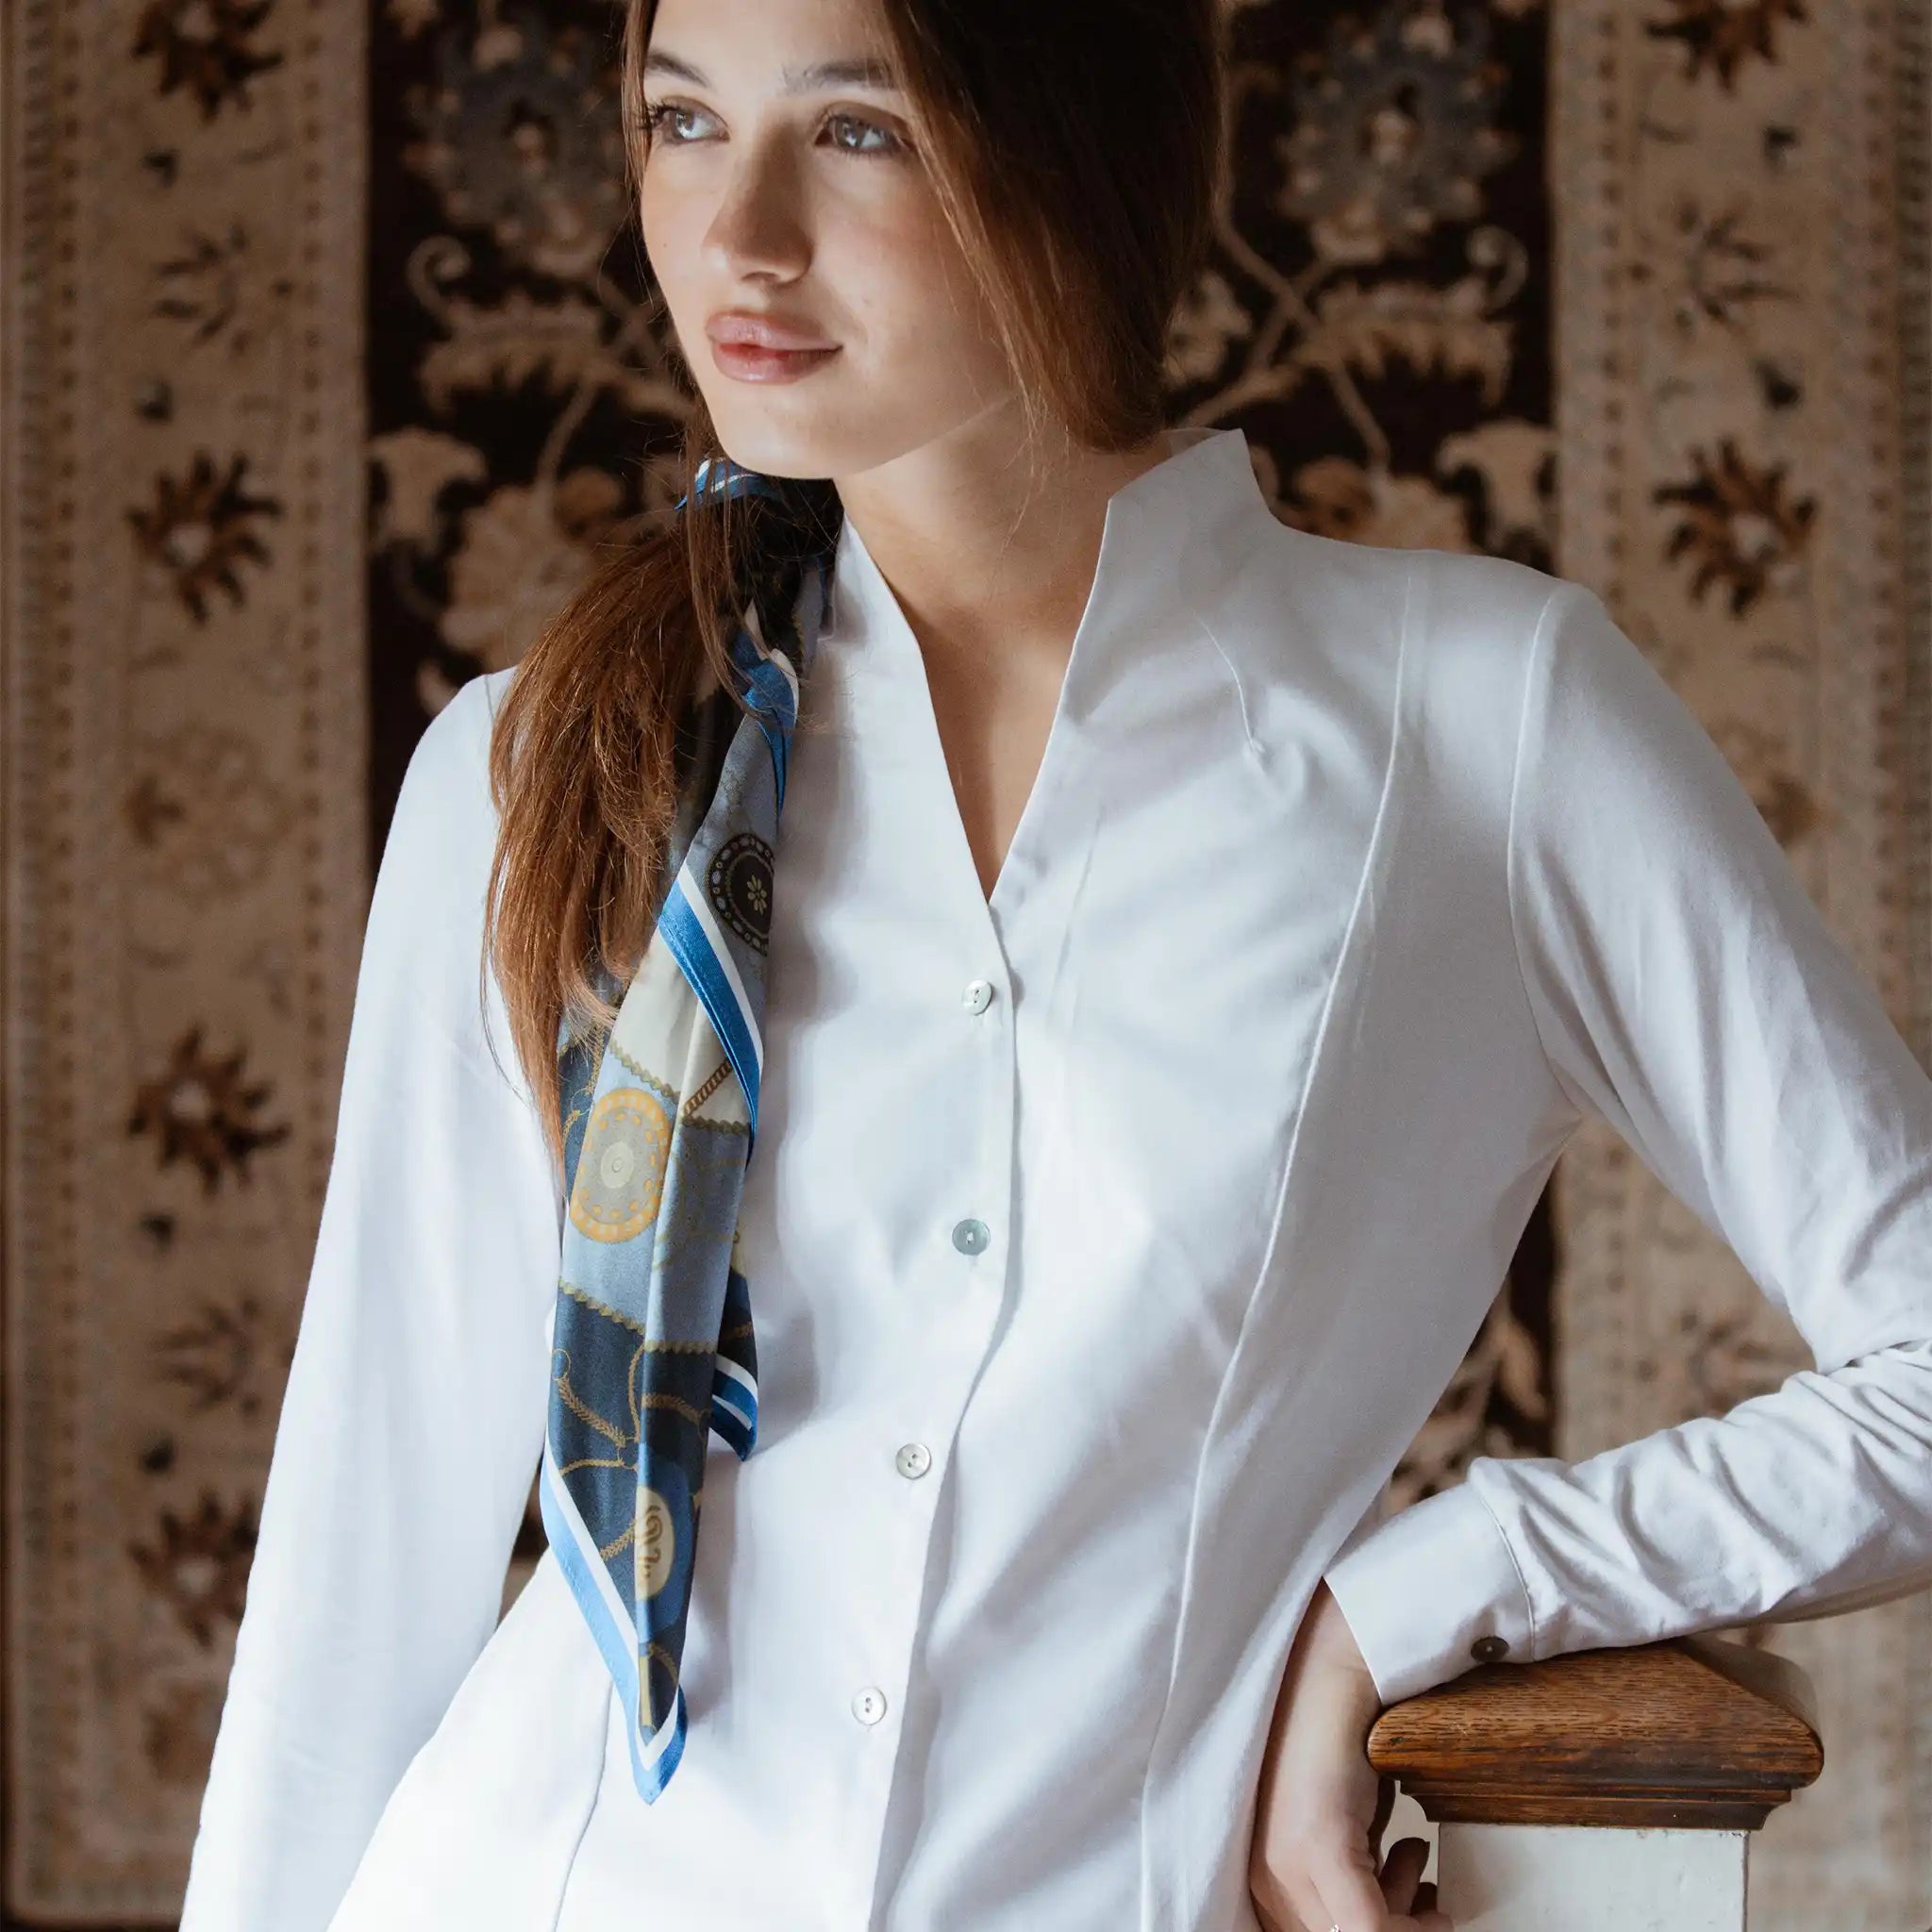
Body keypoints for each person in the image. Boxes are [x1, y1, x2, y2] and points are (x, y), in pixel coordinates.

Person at [178, 0, 1932, 1925]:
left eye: (856, 131)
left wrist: (1420, 1596)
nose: (739, 234)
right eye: (683, 121)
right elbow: (353, 1606)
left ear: (1073, 159)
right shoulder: (532, 769)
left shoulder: (1480, 726)